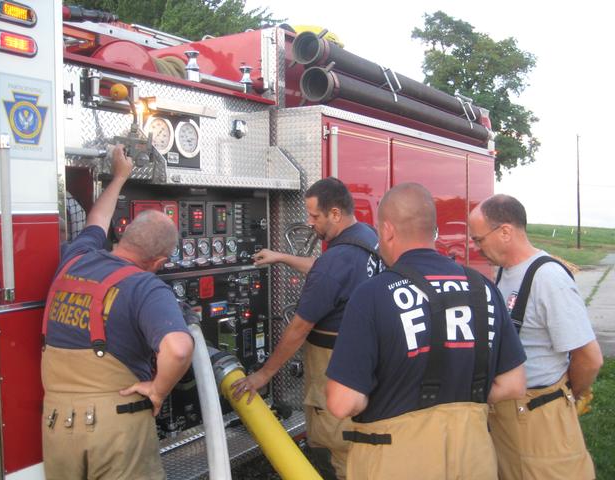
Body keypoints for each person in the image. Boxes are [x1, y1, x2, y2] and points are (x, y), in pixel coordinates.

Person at [326, 183, 527, 480]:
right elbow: (513, 384)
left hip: (395, 462)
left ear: (388, 230)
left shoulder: (372, 295)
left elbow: (342, 402)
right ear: (432, 230)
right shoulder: (483, 288)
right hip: (474, 459)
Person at [41, 145, 194, 480]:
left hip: (56, 425)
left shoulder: (76, 257)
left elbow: (97, 219)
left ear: (124, 236)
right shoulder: (146, 287)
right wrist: (158, 389)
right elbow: (179, 348)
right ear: (158, 263)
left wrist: (120, 176)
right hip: (116, 430)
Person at [231, 177, 381, 480]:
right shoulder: (367, 237)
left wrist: (264, 374)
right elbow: (330, 270)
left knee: (334, 444)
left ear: (335, 214)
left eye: (315, 216)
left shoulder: (335, 261)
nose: (310, 223)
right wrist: (282, 257)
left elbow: (299, 328)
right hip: (365, 360)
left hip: (332, 364)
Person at [469, 194, 603, 480]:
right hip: (508, 419)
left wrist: (567, 394)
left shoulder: (548, 279)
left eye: (479, 240)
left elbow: (589, 359)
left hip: (542, 420)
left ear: (505, 231)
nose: (477, 248)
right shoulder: (504, 272)